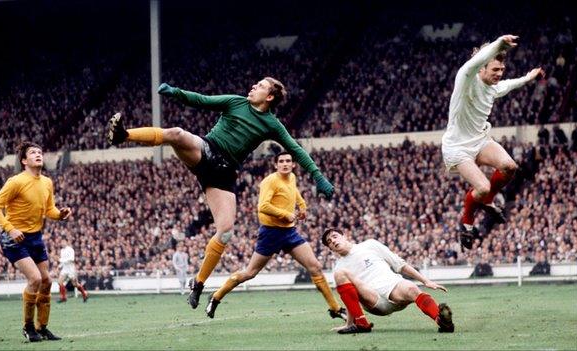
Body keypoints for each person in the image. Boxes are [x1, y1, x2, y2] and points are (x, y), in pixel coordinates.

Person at [107, 77, 334, 309]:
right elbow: (202, 100)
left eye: (261, 86)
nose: (254, 86)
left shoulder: (272, 124)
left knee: (225, 231)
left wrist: (319, 177)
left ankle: (198, 284)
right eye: (255, 83)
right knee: (176, 134)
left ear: (270, 97)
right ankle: (123, 136)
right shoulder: (236, 102)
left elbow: (295, 149)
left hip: (223, 174)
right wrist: (176, 92)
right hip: (206, 150)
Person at [205, 152, 346, 320]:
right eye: (281, 161)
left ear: (293, 165)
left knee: (315, 266)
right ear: (276, 165)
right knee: (250, 273)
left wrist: (302, 205)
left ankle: (335, 308)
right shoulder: (270, 181)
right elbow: (262, 206)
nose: (285, 164)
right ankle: (216, 297)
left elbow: (293, 191)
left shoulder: (292, 177)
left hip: (289, 232)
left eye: (288, 161)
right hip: (271, 233)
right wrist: (284, 214)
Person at [441, 34, 545, 250]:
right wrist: (499, 43)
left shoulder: (494, 87)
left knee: (510, 167)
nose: (499, 74)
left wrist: (529, 77)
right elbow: (476, 61)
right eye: (494, 70)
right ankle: (466, 224)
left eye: (501, 70)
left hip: (479, 140)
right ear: (481, 69)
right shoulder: (466, 80)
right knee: (482, 186)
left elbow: (510, 84)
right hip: (458, 148)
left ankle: (487, 200)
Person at [0, 142, 71, 342]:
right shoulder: (15, 182)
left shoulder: (47, 182)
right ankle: (28, 327)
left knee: (47, 281)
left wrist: (60, 214)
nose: (38, 154)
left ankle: (42, 327)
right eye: (33, 152)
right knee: (34, 279)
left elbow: (49, 209)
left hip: (35, 237)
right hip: (14, 237)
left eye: (40, 152)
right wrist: (10, 228)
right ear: (24, 161)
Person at [321, 228, 454, 334]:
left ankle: (441, 321)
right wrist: (349, 324)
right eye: (329, 242)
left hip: (394, 287)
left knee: (412, 289)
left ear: (344, 236)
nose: (332, 241)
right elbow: (350, 298)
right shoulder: (340, 268)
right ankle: (361, 324)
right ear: (331, 249)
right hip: (374, 299)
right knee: (340, 273)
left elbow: (399, 264)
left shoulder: (370, 245)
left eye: (334, 236)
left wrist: (425, 281)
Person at [57, 237, 89, 303]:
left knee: (75, 284)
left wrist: (61, 260)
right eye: (61, 242)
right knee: (60, 282)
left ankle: (84, 295)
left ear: (66, 242)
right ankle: (63, 297)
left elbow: (72, 259)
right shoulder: (62, 250)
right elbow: (62, 261)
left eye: (63, 241)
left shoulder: (70, 249)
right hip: (65, 269)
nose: (62, 243)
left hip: (71, 269)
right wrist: (59, 266)